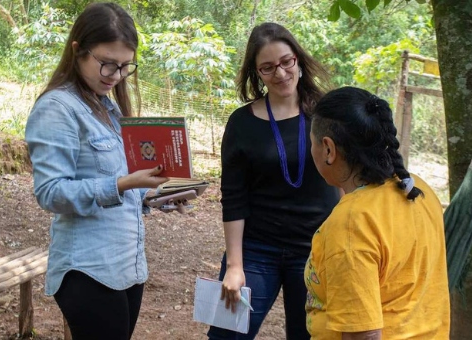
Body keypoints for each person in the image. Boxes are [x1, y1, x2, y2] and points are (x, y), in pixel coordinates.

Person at [25, 3, 178, 339]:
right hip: (87, 270)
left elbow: (121, 188)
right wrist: (123, 184)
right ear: (78, 50)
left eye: (125, 66)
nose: (116, 75)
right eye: (107, 64)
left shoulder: (109, 107)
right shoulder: (57, 108)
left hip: (127, 265)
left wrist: (157, 197)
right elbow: (50, 192)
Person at [207, 23, 340, 340]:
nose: (280, 74)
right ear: (256, 73)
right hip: (255, 249)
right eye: (267, 68)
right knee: (224, 334)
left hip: (316, 249)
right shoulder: (241, 122)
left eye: (285, 62)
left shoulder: (330, 112)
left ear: (297, 59)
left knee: (311, 335)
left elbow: (351, 177)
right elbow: (233, 197)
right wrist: (235, 267)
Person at [305, 86, 450, 339]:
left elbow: (363, 334)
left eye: (312, 143)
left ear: (328, 149)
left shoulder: (351, 223)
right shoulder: (417, 189)